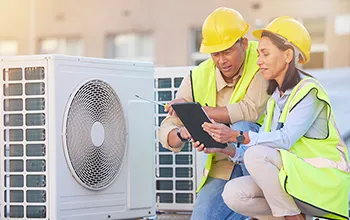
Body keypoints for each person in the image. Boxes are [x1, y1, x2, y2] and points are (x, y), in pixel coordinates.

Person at [201, 16, 350, 220]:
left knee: (257, 155)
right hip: (296, 181)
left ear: (287, 55)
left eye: (265, 53)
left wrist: (238, 134)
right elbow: (258, 148)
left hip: (323, 183)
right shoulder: (275, 100)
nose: (258, 60)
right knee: (234, 193)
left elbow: (285, 139)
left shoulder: (309, 91)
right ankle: (291, 215)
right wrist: (222, 146)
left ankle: (291, 217)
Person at [158, 7, 270, 220]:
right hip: (223, 164)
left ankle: (265, 208)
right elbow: (168, 127)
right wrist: (182, 132)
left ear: (243, 44)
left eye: (227, 51)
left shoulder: (261, 59)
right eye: (215, 53)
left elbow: (249, 111)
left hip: (262, 160)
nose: (221, 60)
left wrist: (197, 112)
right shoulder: (198, 76)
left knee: (242, 127)